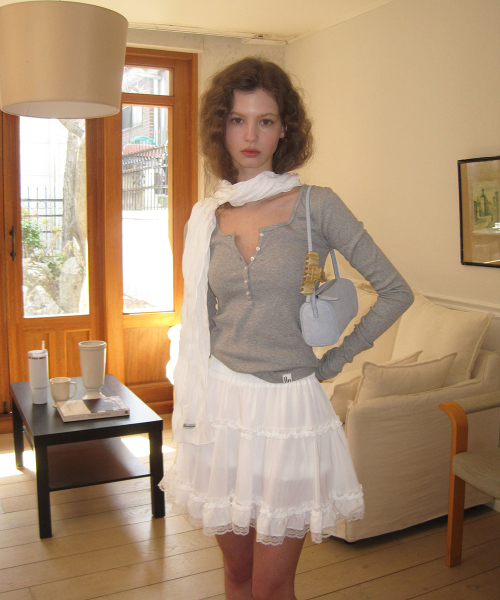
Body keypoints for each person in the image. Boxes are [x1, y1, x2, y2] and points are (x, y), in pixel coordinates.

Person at [160, 57, 414, 600]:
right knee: (236, 576)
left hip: (287, 412)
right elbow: (204, 317)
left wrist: (332, 362)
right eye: (237, 120)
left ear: (285, 129)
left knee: (271, 587)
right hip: (221, 406)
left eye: (266, 121)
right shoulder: (208, 215)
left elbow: (396, 291)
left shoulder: (315, 206)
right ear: (220, 128)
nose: (250, 136)